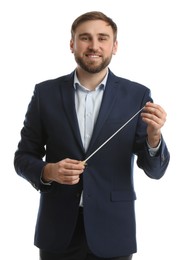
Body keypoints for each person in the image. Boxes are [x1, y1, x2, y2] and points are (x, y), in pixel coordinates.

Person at [14, 11, 170, 260]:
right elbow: (23, 158)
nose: (94, 46)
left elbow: (155, 170)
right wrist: (49, 171)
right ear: (72, 44)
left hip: (114, 231)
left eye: (103, 38)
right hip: (57, 231)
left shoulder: (137, 96)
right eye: (85, 38)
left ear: (114, 46)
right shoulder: (45, 94)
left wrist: (154, 137)